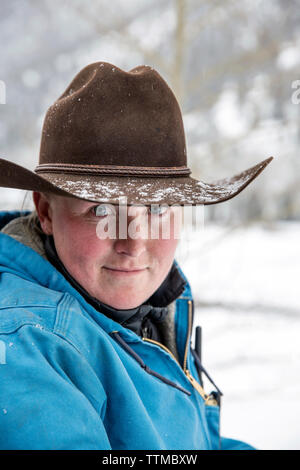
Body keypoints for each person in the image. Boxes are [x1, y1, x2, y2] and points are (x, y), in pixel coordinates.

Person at [0, 62, 272, 450]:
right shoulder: (24, 349)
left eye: (158, 209)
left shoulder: (148, 308)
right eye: (102, 210)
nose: (134, 241)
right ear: (45, 212)